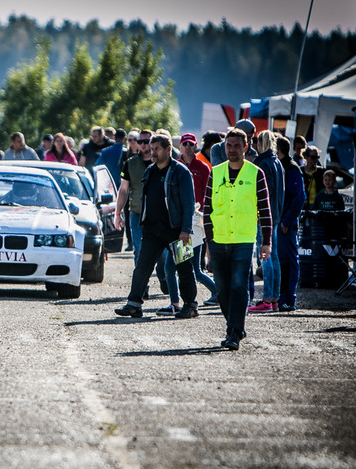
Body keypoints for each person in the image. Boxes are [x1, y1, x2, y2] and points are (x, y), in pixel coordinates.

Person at [114, 134, 198, 320]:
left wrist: (186, 229)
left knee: (184, 268)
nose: (153, 152)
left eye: (157, 149)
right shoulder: (150, 170)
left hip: (177, 230)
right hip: (153, 230)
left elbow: (188, 203)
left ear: (168, 150)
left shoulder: (181, 172)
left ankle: (190, 306)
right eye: (151, 149)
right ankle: (134, 304)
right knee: (142, 266)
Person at [203, 128, 272, 350]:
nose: (232, 149)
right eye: (229, 145)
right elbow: (207, 209)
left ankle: (233, 332)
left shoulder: (256, 173)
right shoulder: (216, 172)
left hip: (243, 239)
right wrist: (208, 241)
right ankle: (236, 326)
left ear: (245, 148)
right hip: (218, 240)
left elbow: (265, 209)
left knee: (239, 286)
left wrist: (266, 241)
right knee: (222, 290)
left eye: (236, 146)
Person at [174, 133, 218, 305]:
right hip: (179, 222)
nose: (188, 147)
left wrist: (208, 219)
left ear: (196, 146)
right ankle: (186, 299)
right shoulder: (175, 165)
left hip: (196, 221)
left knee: (195, 268)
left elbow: (210, 195)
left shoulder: (203, 167)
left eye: (191, 144)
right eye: (185, 144)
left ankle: (216, 293)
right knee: (182, 265)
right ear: (180, 146)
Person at [249, 130, 285, 313]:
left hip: (265, 216)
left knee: (266, 256)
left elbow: (264, 193)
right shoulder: (277, 162)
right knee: (274, 256)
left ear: (260, 143)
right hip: (276, 214)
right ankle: (274, 299)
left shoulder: (263, 163)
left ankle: (267, 299)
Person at [114, 130, 153, 264]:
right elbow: (123, 190)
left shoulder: (161, 162)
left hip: (159, 215)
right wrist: (118, 213)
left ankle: (167, 283)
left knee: (164, 256)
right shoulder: (130, 163)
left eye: (146, 142)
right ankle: (141, 285)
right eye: (139, 142)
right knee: (139, 251)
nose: (142, 145)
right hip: (136, 213)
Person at [275, 136, 305, 312]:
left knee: (289, 261)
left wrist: (287, 221)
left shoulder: (291, 168)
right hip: (282, 223)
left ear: (279, 150)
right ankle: (283, 297)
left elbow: (299, 198)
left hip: (287, 225)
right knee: (282, 261)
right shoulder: (282, 166)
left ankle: (289, 299)